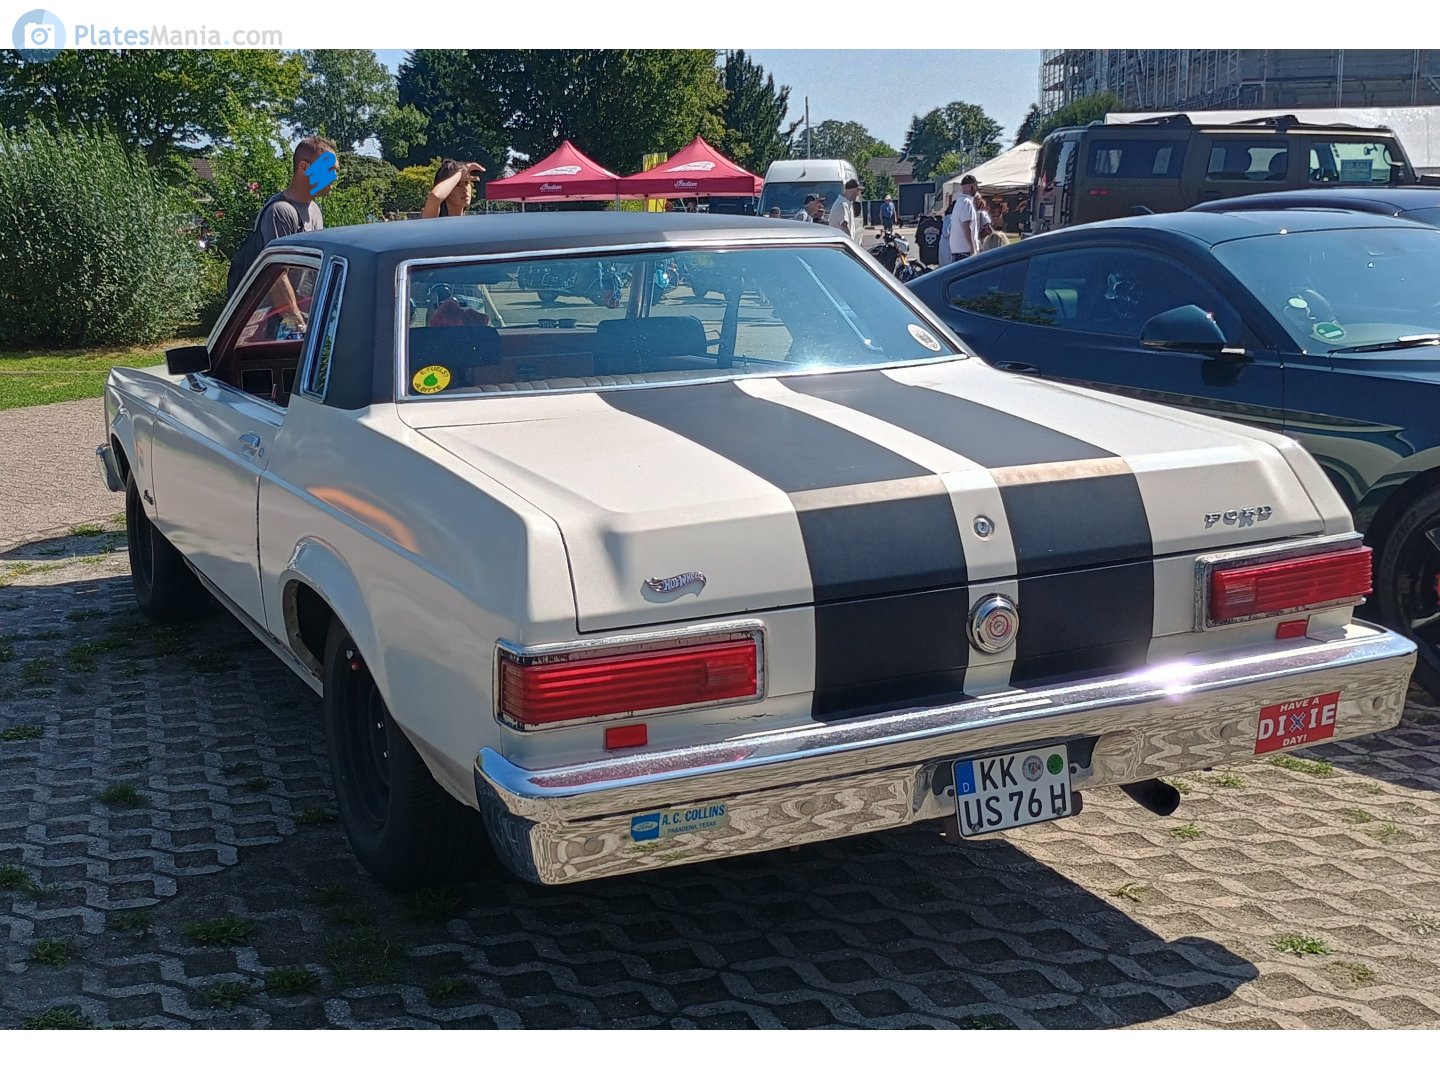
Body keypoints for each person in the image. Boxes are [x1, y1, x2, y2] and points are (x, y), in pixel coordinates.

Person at [225, 135, 336, 298]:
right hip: (272, 315)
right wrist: (296, 321)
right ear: (304, 167)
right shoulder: (281, 211)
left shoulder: (315, 210)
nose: (334, 177)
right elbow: (277, 277)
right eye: (328, 170)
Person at [948, 174, 981, 262]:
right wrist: (972, 248)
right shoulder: (966, 203)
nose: (977, 188)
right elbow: (966, 226)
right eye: (975, 186)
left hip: (958, 250)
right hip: (964, 251)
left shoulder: (959, 202)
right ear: (970, 187)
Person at [828, 178, 864, 243]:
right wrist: (851, 244)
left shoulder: (846, 203)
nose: (859, 194)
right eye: (858, 190)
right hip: (839, 243)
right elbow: (844, 226)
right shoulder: (842, 204)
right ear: (852, 191)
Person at [937, 197, 955, 267]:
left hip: (948, 244)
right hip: (947, 244)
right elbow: (946, 232)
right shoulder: (949, 218)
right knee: (947, 263)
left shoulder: (950, 218)